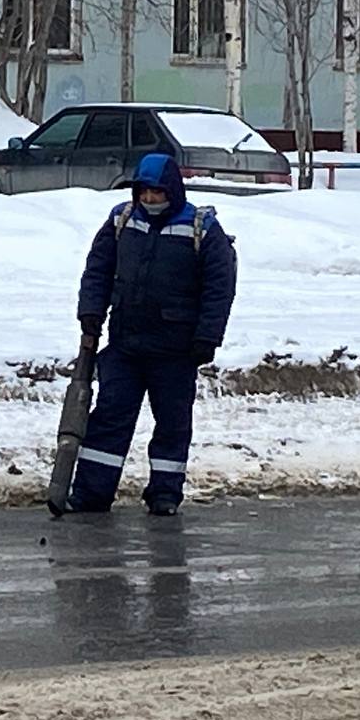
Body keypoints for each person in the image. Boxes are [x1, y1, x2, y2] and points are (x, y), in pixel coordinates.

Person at [68, 153, 237, 516]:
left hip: (177, 350)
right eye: (143, 192)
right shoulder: (121, 220)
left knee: (172, 423)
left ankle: (164, 493)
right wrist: (90, 312)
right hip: (125, 345)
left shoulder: (202, 229)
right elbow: (98, 269)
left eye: (156, 193)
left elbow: (219, 288)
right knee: (110, 417)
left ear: (172, 191)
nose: (149, 199)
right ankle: (91, 493)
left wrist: (208, 336)